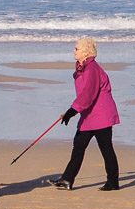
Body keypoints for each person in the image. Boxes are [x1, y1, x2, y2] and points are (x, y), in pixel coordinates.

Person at [52, 36, 121, 191]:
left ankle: (113, 182)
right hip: (89, 114)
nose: (73, 50)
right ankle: (67, 179)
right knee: (78, 145)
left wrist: (72, 110)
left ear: (86, 52)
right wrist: (74, 110)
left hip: (102, 114)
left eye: (76, 48)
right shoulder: (83, 68)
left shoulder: (92, 69)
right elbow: (85, 95)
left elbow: (88, 93)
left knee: (106, 148)